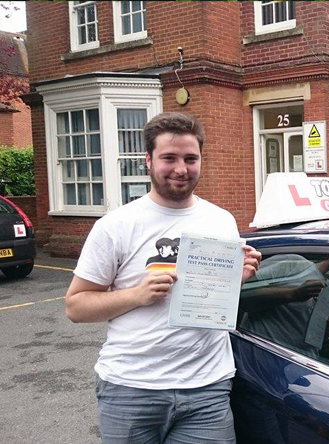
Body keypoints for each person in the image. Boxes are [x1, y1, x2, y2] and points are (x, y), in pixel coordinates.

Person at [65, 112, 262, 444]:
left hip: (207, 388)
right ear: (148, 160)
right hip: (131, 389)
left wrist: (236, 279)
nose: (181, 168)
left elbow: (214, 299)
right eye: (169, 158)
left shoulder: (221, 221)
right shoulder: (117, 225)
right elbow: (76, 307)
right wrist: (136, 295)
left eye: (190, 158)